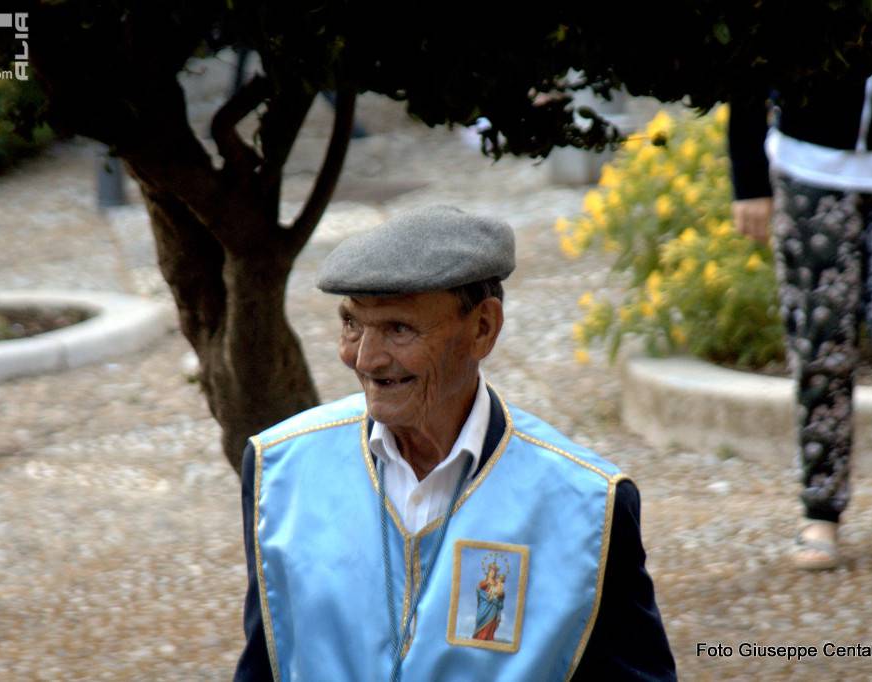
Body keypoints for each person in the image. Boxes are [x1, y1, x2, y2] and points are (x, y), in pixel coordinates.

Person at [231, 205, 675, 681]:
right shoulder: (280, 468)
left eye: (398, 329)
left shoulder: (586, 504)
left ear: (483, 328)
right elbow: (266, 663)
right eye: (352, 324)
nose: (365, 358)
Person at [729, 64, 872, 570]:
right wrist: (749, 177)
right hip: (811, 167)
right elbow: (750, 50)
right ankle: (821, 509)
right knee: (820, 348)